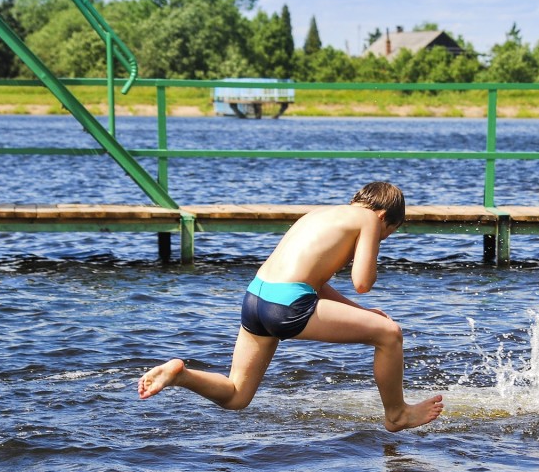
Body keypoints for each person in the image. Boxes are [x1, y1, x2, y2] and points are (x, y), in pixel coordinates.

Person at [138, 181, 444, 432]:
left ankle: (181, 375)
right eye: (389, 232)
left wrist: (362, 314)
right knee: (390, 333)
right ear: (384, 217)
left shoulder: (319, 215)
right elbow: (362, 282)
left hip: (255, 299)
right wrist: (373, 247)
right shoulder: (369, 220)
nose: (383, 238)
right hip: (286, 304)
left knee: (236, 395)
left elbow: (316, 282)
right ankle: (397, 414)